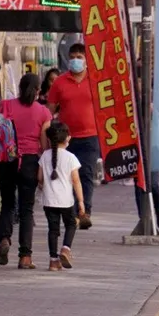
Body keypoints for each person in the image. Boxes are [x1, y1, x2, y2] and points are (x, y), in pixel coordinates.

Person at [0, 73, 52, 269]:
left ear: (19, 87)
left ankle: (4, 239)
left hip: (7, 160)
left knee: (7, 203)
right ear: (38, 91)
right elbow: (43, 144)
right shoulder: (43, 113)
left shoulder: (6, 106)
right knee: (26, 209)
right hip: (29, 161)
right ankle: (25, 257)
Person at [47, 43, 98, 228]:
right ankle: (72, 211)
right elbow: (50, 110)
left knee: (86, 174)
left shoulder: (95, 80)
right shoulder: (60, 82)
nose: (76, 60)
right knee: (67, 176)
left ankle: (84, 212)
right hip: (66, 139)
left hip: (91, 136)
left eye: (80, 57)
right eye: (73, 56)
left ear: (86, 60)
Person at [39, 121, 86, 272]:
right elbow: (76, 181)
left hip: (48, 199)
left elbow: (39, 178)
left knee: (53, 230)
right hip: (66, 200)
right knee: (71, 224)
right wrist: (81, 201)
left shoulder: (45, 156)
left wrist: (43, 185)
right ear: (67, 139)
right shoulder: (70, 157)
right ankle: (65, 249)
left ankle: (53, 261)